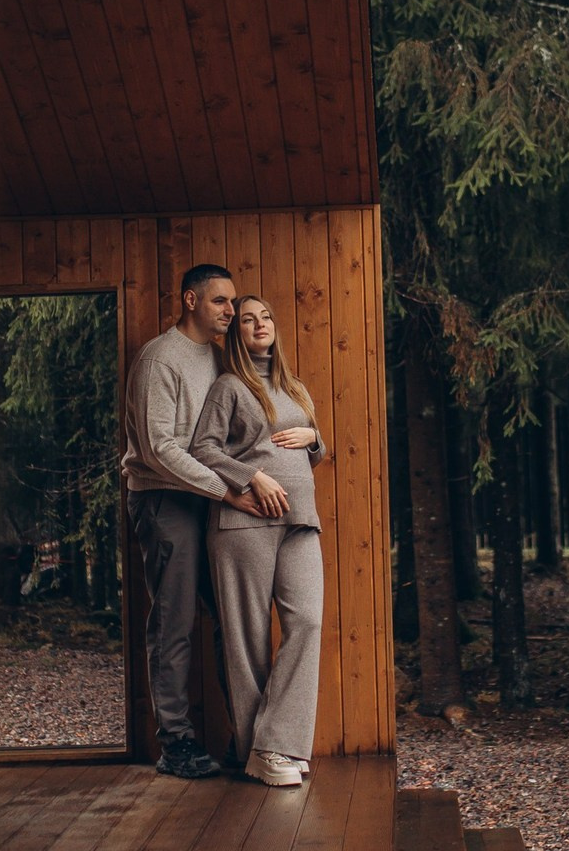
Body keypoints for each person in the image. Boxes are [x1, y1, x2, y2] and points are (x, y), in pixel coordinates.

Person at [122, 263, 262, 779]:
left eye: (232, 303)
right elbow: (160, 450)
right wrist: (229, 490)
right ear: (190, 300)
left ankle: (246, 739)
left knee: (232, 619)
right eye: (220, 301)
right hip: (164, 501)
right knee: (174, 623)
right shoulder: (161, 359)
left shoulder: (219, 356)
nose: (230, 311)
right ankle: (176, 744)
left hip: (210, 502)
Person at [189, 295, 326, 787]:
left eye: (266, 315)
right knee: (247, 643)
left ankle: (274, 744)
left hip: (299, 521)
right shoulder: (229, 387)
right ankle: (260, 753)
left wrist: (314, 439)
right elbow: (202, 448)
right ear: (237, 334)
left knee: (307, 623)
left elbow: (312, 454)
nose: (259, 324)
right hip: (242, 524)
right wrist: (251, 477)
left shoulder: (295, 388)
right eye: (247, 319)